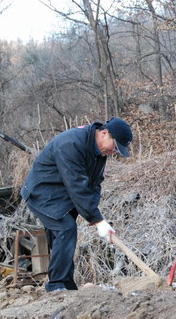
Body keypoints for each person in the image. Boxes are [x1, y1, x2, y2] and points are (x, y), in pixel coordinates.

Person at [20, 117, 133, 291]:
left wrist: (95, 217)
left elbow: (95, 183)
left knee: (60, 236)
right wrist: (98, 220)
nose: (115, 151)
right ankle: (57, 285)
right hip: (42, 192)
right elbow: (77, 186)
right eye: (115, 146)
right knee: (66, 229)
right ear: (104, 133)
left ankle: (66, 284)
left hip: (62, 194)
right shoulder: (71, 144)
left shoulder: (100, 152)